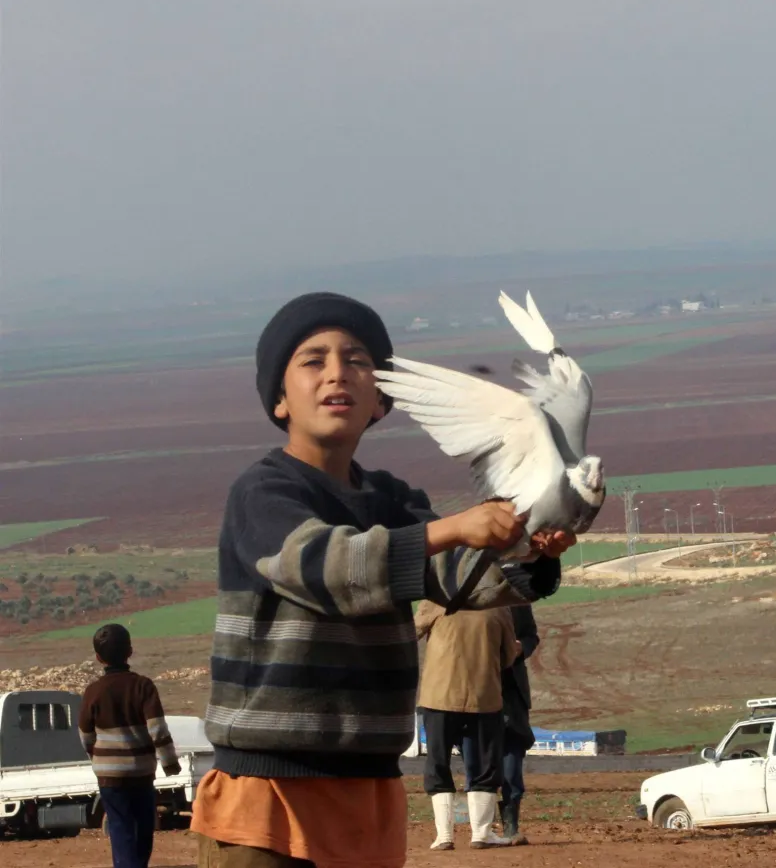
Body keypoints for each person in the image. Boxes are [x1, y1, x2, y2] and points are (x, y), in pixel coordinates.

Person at [189, 292, 575, 868]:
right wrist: (451, 529)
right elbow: (328, 568)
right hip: (267, 800)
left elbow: (465, 586)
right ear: (279, 399)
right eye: (313, 360)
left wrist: (535, 553)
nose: (337, 373)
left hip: (368, 792)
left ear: (380, 401)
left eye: (357, 359)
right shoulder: (263, 494)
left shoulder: (392, 500)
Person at [414, 600, 520, 850]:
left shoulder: (435, 601)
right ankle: (481, 834)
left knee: (438, 762)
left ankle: (444, 836)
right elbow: (507, 656)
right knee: (485, 765)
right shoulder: (499, 607)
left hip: (438, 695)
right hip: (483, 697)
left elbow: (410, 634)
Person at [79, 623, 180, 868]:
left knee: (120, 827)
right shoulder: (143, 686)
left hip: (109, 776)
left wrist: (99, 757)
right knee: (144, 827)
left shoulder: (92, 691)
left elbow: (85, 736)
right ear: (130, 651)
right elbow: (157, 729)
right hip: (141, 771)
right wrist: (169, 762)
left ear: (98, 657)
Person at [496, 603, 539, 845]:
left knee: (512, 761)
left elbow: (531, 635)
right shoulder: (465, 596)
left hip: (513, 693)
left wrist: (522, 647)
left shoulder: (517, 600)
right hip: (477, 689)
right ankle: (480, 830)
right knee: (479, 763)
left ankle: (511, 827)